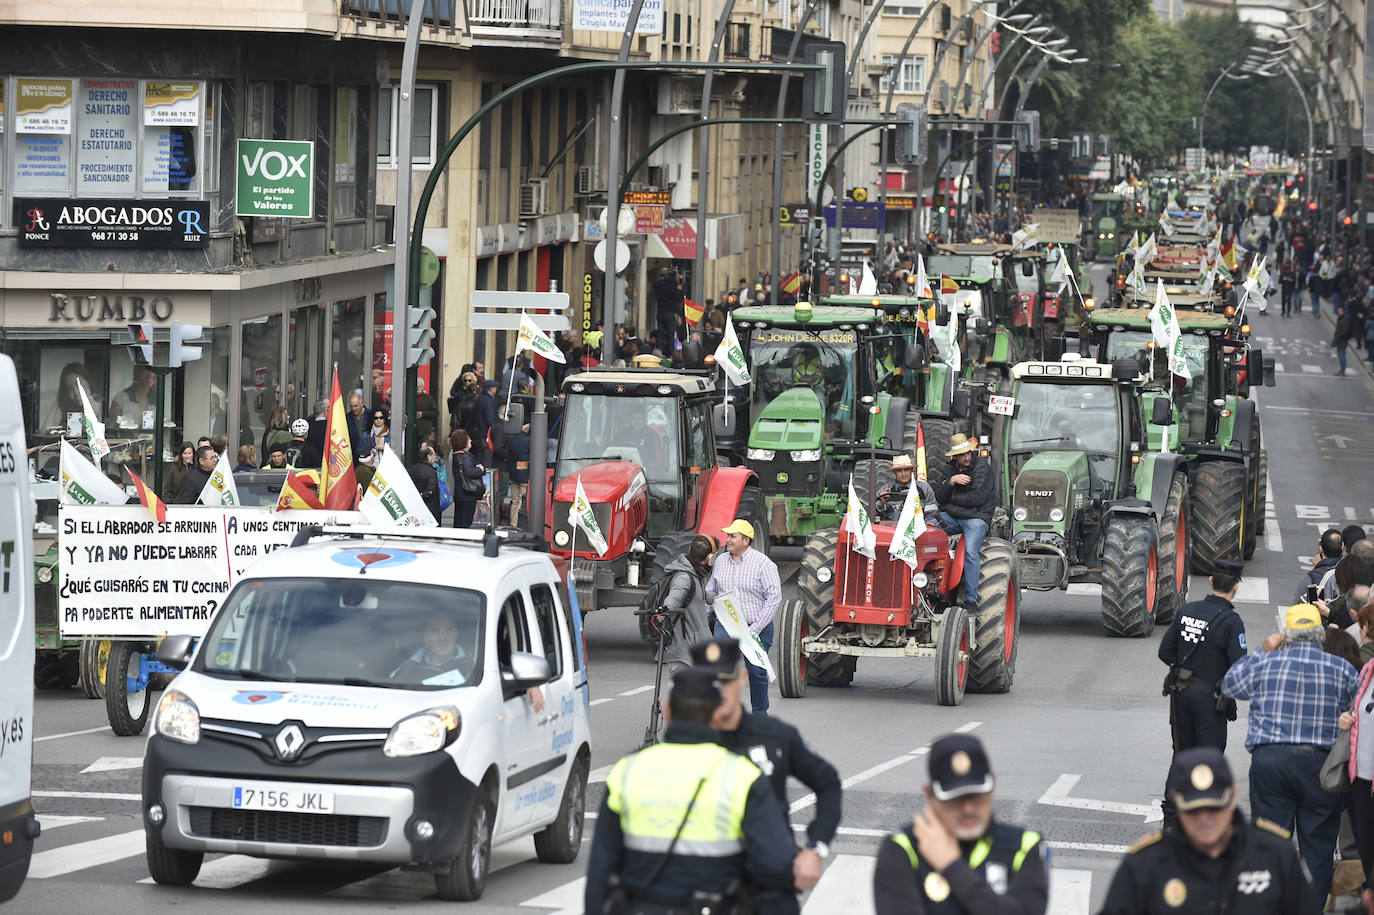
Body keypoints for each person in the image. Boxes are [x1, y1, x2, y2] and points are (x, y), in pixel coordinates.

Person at [583, 668, 795, 915]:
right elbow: (776, 871)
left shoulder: (627, 772)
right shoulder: (742, 776)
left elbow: (600, 872)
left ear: (669, 712)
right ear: (718, 714)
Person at [1220, 603, 1360, 907]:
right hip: (1320, 764)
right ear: (1320, 635)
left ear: (1286, 635)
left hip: (1271, 760)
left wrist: (1262, 650)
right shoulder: (1341, 669)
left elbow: (1230, 685)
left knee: (1269, 842)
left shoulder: (1268, 663)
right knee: (1318, 846)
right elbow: (1358, 710)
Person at [693, 638, 842, 915]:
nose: (718, 693)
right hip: (707, 895)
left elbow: (828, 783)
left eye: (724, 683)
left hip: (772, 897)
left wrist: (816, 848)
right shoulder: (686, 747)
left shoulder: (774, 735)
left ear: (741, 679)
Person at [1097, 746, 1319, 914]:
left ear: (1232, 798)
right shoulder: (1144, 866)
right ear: (1177, 803)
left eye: (1214, 808)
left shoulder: (1276, 855)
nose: (1204, 819)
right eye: (1193, 810)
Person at [873, 733, 1048, 915]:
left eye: (976, 795)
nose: (968, 809)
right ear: (929, 794)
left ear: (993, 784)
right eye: (955, 799)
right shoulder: (902, 849)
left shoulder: (1026, 846)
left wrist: (951, 867)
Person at [1158, 558, 1248, 830]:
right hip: (1211, 700)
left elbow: (1165, 652)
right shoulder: (1231, 621)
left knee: (1182, 754)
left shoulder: (1187, 610)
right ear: (1236, 587)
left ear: (1211, 581)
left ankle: (1172, 816)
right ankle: (1202, 818)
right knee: (1209, 758)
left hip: (1181, 694)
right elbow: (1240, 667)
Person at [705, 519, 782, 715]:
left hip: (756, 626)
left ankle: (760, 714)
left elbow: (774, 598)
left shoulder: (764, 564)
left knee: (757, 672)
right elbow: (711, 591)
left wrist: (754, 629)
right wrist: (699, 617)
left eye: (732, 536)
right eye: (728, 536)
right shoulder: (721, 561)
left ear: (746, 540)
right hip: (726, 625)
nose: (728, 540)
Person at [930, 434, 996, 608]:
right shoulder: (949, 469)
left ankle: (971, 599)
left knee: (971, 553)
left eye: (968, 453)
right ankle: (930, 587)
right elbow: (939, 497)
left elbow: (977, 499)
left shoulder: (982, 468)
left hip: (977, 517)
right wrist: (951, 483)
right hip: (954, 516)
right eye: (962, 455)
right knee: (926, 532)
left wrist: (952, 498)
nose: (966, 457)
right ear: (954, 457)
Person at [655, 538, 718, 686]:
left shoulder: (696, 572)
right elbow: (673, 599)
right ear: (710, 558)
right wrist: (666, 609)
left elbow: (697, 595)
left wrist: (714, 597)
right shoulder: (684, 577)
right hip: (685, 654)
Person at [390, 614, 473, 685]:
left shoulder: (473, 666)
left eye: (448, 631)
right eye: (435, 631)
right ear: (426, 637)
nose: (442, 638)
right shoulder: (407, 666)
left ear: (456, 635)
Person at [875, 454, 939, 523]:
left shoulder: (925, 488)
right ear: (894, 472)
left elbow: (932, 514)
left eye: (906, 470)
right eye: (899, 470)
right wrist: (882, 503)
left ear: (911, 470)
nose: (903, 474)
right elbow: (875, 517)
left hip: (919, 530)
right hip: (892, 530)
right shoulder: (885, 490)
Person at [1297, 528, 1344, 604]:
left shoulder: (1314, 576)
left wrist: (1315, 568)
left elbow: (1307, 604)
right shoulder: (1349, 568)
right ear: (1343, 547)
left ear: (1321, 549)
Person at [449, 430, 485, 529]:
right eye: (468, 439)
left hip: (460, 493)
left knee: (459, 521)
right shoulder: (465, 456)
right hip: (468, 494)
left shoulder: (455, 455)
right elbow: (470, 473)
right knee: (466, 521)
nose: (470, 441)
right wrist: (480, 469)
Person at [653, 266, 686, 359]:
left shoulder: (657, 285)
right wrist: (678, 289)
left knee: (660, 332)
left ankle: (659, 350)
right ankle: (670, 353)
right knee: (670, 333)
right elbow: (678, 297)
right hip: (669, 312)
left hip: (660, 311)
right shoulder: (671, 285)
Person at [505, 419, 531, 528]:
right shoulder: (530, 441)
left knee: (515, 500)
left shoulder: (511, 439)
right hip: (525, 475)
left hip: (514, 473)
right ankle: (520, 523)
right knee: (522, 499)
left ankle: (513, 523)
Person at [409, 441, 442, 523]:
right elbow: (431, 491)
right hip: (429, 509)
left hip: (415, 507)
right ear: (428, 456)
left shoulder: (412, 469)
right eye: (434, 455)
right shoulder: (431, 472)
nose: (435, 457)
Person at [467, 380, 498, 465]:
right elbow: (490, 418)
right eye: (494, 387)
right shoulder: (488, 401)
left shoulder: (481, 399)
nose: (496, 389)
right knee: (486, 458)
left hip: (478, 432)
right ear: (489, 389)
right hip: (485, 433)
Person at [1334, 305, 1354, 376]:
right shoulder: (1341, 318)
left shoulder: (1345, 320)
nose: (1339, 312)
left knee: (1342, 355)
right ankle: (1341, 370)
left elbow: (1345, 331)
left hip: (1342, 341)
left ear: (1344, 312)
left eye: (1340, 311)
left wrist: (1338, 337)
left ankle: (1342, 371)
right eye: (1338, 311)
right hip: (1341, 340)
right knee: (1340, 355)